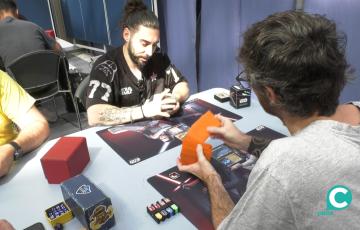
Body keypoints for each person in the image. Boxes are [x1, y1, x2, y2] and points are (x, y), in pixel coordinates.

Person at [177, 11, 360, 229]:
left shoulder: (282, 163)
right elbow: (318, 154)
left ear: (270, 94)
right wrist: (244, 141)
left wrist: (210, 177)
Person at [86, 0, 190, 126]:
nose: (150, 52)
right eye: (144, 44)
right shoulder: (106, 67)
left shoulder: (158, 56)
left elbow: (181, 84)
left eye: (154, 44)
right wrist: (144, 111)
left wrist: (174, 99)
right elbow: (94, 115)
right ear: (126, 35)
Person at [0, 70, 49, 177]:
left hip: (9, 170)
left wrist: (10, 149)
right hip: (45, 82)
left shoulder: (1, 79)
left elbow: (38, 124)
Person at [0, 0, 62, 70]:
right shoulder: (33, 26)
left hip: (15, 80)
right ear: (17, 11)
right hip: (48, 78)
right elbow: (59, 49)